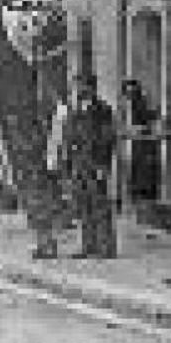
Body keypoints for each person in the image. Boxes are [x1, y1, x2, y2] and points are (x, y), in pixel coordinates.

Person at [57, 72, 119, 259]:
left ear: (91, 88)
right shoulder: (74, 111)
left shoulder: (103, 111)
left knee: (100, 204)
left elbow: (107, 139)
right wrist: (67, 164)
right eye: (75, 87)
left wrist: (102, 164)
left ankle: (106, 247)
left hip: (95, 163)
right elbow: (68, 137)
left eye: (80, 87)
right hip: (79, 163)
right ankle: (88, 245)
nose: (76, 91)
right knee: (83, 205)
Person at [119, 78, 163, 210]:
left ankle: (145, 201)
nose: (131, 96)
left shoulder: (141, 105)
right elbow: (120, 127)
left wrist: (146, 127)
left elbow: (150, 120)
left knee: (144, 176)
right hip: (130, 147)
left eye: (134, 92)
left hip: (142, 146)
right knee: (131, 176)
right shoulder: (123, 108)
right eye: (129, 93)